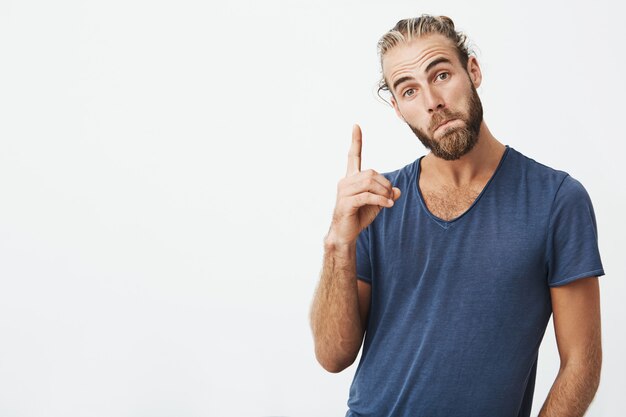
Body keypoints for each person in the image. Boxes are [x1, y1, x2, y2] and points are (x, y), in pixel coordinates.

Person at [309, 14, 605, 417]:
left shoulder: (556, 200)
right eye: (409, 90)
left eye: (442, 74)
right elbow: (332, 356)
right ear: (398, 109)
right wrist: (338, 243)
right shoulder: (376, 203)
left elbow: (581, 363)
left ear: (473, 70)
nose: (432, 101)